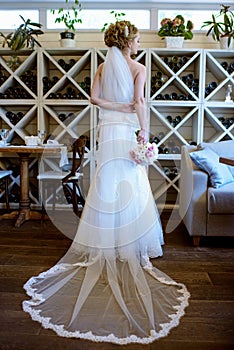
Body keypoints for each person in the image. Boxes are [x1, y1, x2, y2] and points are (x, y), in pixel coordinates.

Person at [22, 20, 190, 345]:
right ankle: (131, 243)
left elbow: (93, 100)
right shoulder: (138, 68)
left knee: (107, 184)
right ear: (128, 42)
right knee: (131, 184)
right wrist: (143, 131)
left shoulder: (102, 67)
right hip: (126, 131)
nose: (140, 44)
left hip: (108, 132)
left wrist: (116, 108)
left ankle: (105, 242)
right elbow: (140, 103)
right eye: (138, 39)